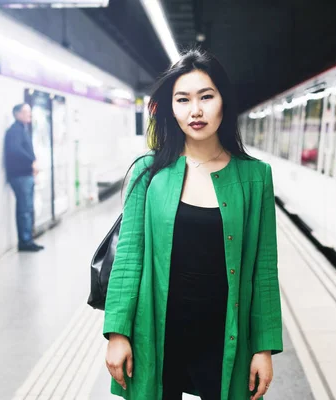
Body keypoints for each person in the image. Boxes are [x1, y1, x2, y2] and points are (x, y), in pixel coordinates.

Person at [102, 49, 282, 400]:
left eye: (206, 97)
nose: (195, 111)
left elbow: (264, 269)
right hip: (158, 332)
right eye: (182, 99)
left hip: (224, 335)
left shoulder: (255, 177)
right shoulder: (148, 172)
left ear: (224, 102)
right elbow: (128, 258)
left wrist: (264, 348)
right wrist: (117, 334)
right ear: (170, 108)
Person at [4, 103, 44, 252]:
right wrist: (31, 162)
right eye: (26, 112)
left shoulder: (21, 130)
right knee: (24, 210)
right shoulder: (15, 131)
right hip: (21, 176)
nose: (30, 115)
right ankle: (25, 241)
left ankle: (28, 239)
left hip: (25, 175)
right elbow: (15, 150)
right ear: (17, 114)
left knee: (27, 208)